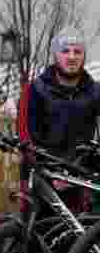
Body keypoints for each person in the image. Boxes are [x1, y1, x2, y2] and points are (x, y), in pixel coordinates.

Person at [26, 32, 100, 213]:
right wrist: (53, 173)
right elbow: (26, 138)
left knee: (84, 237)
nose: (72, 57)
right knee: (42, 236)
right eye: (65, 51)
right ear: (55, 55)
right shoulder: (36, 90)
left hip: (83, 180)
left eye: (78, 51)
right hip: (46, 181)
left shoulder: (95, 92)